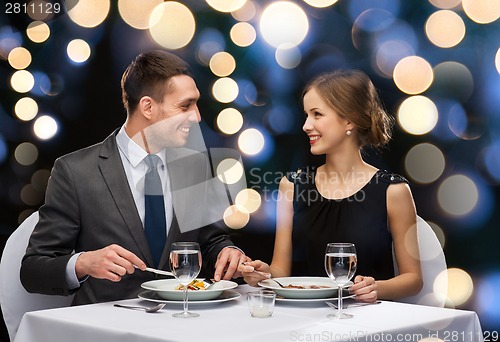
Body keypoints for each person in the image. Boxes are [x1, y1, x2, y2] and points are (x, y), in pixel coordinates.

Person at [20, 50, 246, 305]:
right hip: (104, 331)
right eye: (185, 105)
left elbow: (210, 240)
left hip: (182, 325)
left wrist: (228, 252)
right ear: (148, 106)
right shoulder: (75, 171)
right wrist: (82, 263)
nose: (197, 116)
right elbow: (33, 271)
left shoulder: (194, 167)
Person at [240, 69, 423, 302]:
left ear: (350, 119)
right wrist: (263, 274)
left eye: (317, 115)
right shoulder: (292, 186)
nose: (306, 125)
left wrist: (376, 288)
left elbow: (413, 279)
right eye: (306, 115)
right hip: (304, 318)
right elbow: (281, 271)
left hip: (369, 322)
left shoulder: (393, 191)